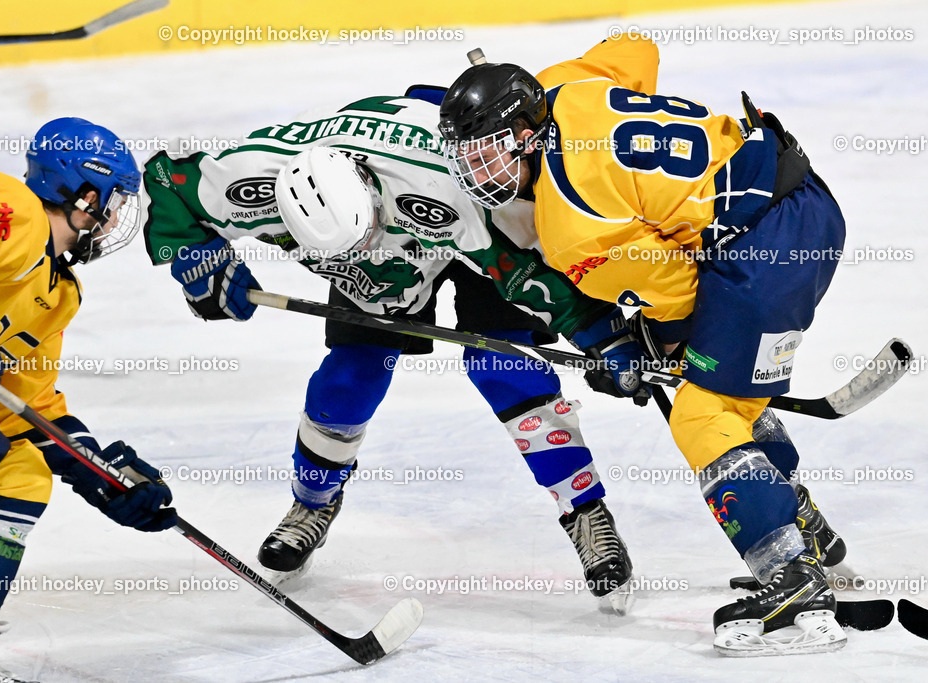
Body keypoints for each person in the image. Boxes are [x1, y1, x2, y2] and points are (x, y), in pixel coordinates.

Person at [142, 92, 649, 611]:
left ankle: (587, 513)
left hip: (466, 221)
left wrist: (603, 336)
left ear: (373, 196)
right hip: (393, 249)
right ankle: (312, 504)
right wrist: (197, 257)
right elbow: (165, 182)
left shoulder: (446, 190)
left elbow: (524, 276)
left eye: (364, 240)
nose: (361, 256)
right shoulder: (250, 179)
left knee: (503, 367)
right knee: (348, 379)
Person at [438, 35, 849, 655]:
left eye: (490, 153)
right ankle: (804, 529)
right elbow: (637, 48)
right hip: (802, 199)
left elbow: (680, 296)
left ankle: (792, 579)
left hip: (766, 252)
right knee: (721, 386)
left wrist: (633, 352)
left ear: (525, 131)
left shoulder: (569, 227)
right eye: (468, 158)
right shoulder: (565, 85)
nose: (478, 174)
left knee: (702, 411)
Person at [0, 117, 177, 682]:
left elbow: (24, 403)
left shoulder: (56, 293)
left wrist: (99, 471)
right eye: (116, 202)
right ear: (85, 194)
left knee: (20, 469)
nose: (116, 218)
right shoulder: (15, 212)